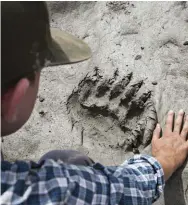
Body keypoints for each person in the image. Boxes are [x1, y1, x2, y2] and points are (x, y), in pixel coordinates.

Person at [1, 2, 188, 205]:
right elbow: (115, 192)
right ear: (17, 95)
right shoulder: (40, 191)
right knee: (74, 166)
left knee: (66, 160)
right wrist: (163, 163)